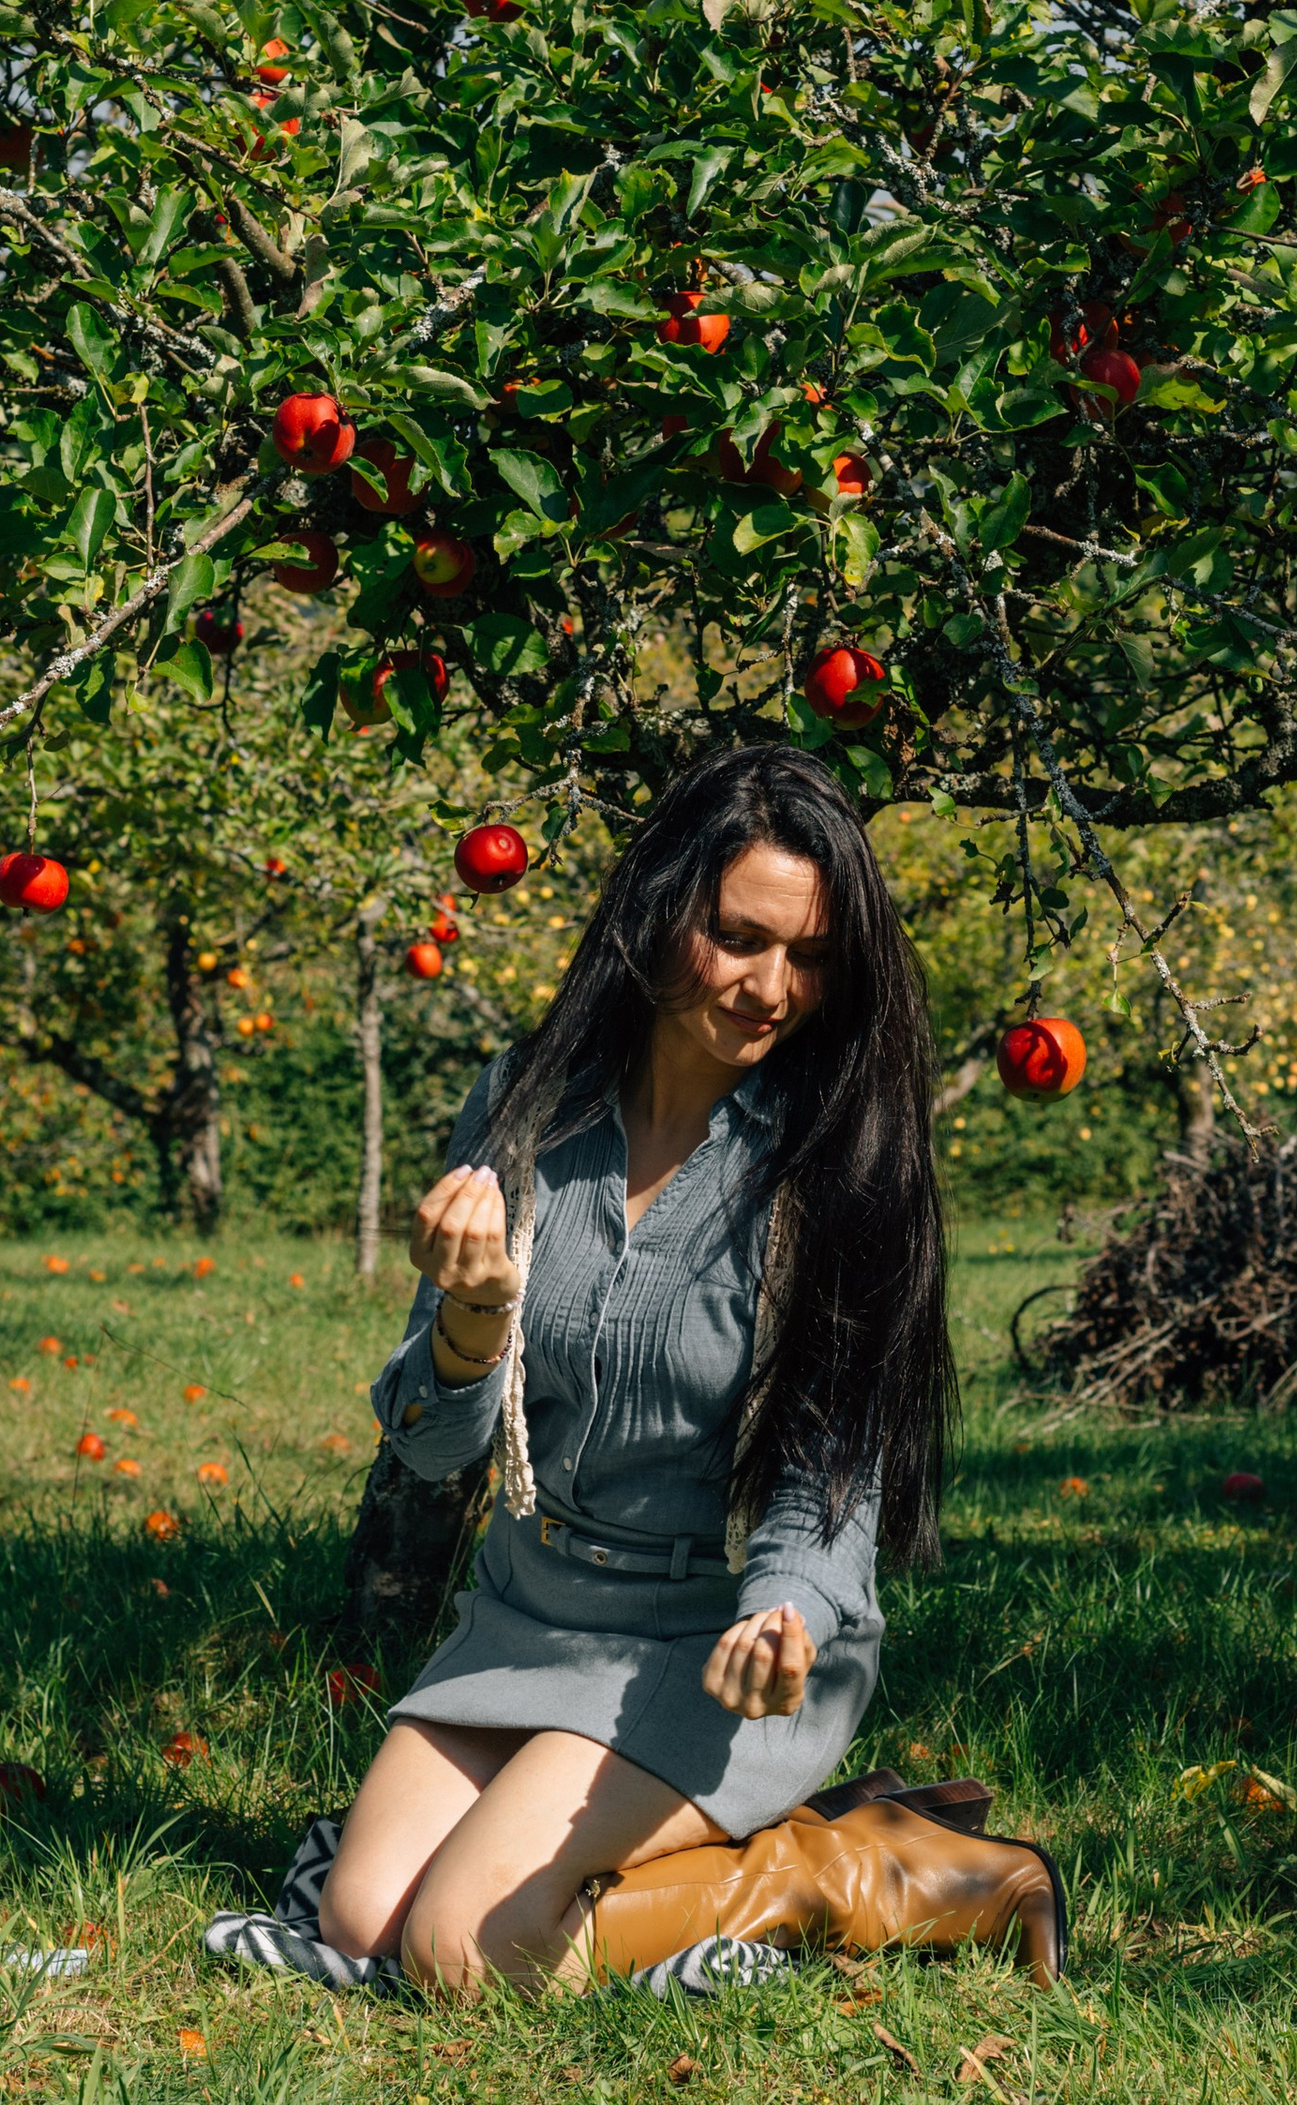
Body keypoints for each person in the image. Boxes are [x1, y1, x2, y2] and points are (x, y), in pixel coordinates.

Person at [302, 737, 956, 1996]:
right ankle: (616, 1850)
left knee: (460, 1952)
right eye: (742, 937)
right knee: (362, 1918)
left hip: (711, 1637)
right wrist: (475, 1319)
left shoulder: (833, 1164)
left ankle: (840, 1868)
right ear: (661, 913)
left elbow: (831, 1472)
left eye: (811, 957)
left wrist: (787, 1615)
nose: (774, 987)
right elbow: (433, 1446)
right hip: (533, 1607)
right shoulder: (526, 1110)